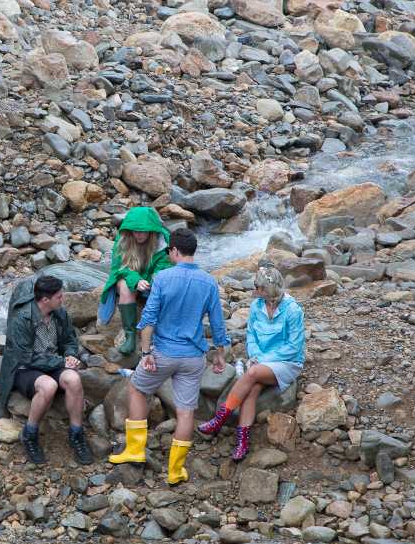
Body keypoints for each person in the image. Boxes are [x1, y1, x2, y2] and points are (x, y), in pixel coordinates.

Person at [108, 228, 228, 485]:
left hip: (163, 352)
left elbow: (148, 319)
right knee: (186, 412)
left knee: (138, 389)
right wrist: (220, 354)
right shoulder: (209, 281)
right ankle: (175, 470)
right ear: (193, 252)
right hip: (194, 357)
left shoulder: (163, 277)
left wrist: (146, 352)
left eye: (169, 252)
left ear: (174, 251)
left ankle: (135, 450)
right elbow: (218, 323)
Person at [197, 266, 305, 462]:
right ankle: (243, 441)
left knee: (252, 374)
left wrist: (261, 360)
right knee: (252, 389)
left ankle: (220, 418)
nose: (255, 290)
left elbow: (294, 346)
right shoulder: (257, 306)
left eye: (259, 287)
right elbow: (251, 336)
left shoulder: (293, 310)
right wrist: (255, 354)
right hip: (260, 361)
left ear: (270, 288)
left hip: (287, 362)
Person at [0, 275, 93, 466]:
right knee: (48, 386)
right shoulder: (22, 319)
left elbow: (69, 340)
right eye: (59, 296)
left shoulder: (60, 313)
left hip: (53, 362)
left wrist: (70, 355)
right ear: (45, 299)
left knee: (74, 380)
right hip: (25, 368)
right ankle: (30, 433)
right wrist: (60, 361)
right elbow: (26, 357)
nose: (63, 298)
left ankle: (76, 433)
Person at [98, 207, 173, 356]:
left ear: (151, 230)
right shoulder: (123, 239)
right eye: (134, 230)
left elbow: (165, 265)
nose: (137, 234)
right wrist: (137, 280)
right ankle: (130, 336)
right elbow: (119, 268)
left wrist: (156, 277)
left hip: (151, 280)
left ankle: (162, 336)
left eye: (142, 231)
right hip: (129, 277)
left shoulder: (163, 241)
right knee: (126, 287)